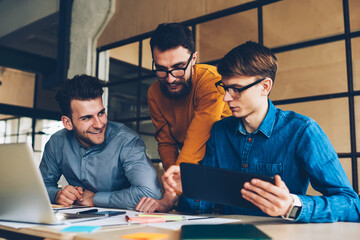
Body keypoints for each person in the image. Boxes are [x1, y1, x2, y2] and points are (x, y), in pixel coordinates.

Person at [137, 41, 360, 223]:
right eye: (225, 88)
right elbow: (200, 208)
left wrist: (292, 205)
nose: (226, 98)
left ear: (265, 87)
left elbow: (352, 205)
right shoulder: (219, 133)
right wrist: (189, 189)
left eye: (236, 89)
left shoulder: (302, 131)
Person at [39, 74, 161, 209]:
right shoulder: (57, 143)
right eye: (87, 118)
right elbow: (41, 185)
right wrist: (57, 195)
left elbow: (151, 193)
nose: (99, 124)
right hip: (75, 222)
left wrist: (95, 199)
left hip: (124, 223)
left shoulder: (126, 141)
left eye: (101, 113)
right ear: (68, 123)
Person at [147, 22, 231, 171]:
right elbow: (166, 143)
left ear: (193, 59)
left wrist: (177, 184)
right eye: (161, 69)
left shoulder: (212, 80)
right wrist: (171, 181)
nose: (170, 79)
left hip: (226, 161)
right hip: (188, 165)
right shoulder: (154, 93)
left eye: (178, 68)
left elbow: (198, 137)